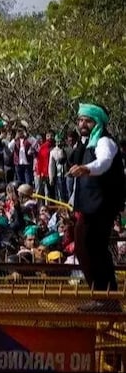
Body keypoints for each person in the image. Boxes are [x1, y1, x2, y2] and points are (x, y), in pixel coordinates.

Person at [68, 103, 125, 311]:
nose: (83, 124)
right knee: (89, 247)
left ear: (97, 122)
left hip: (101, 205)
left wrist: (85, 168)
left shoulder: (104, 142)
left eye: (88, 120)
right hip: (91, 205)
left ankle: (105, 297)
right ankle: (105, 296)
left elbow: (103, 163)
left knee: (90, 247)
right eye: (80, 120)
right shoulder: (87, 144)